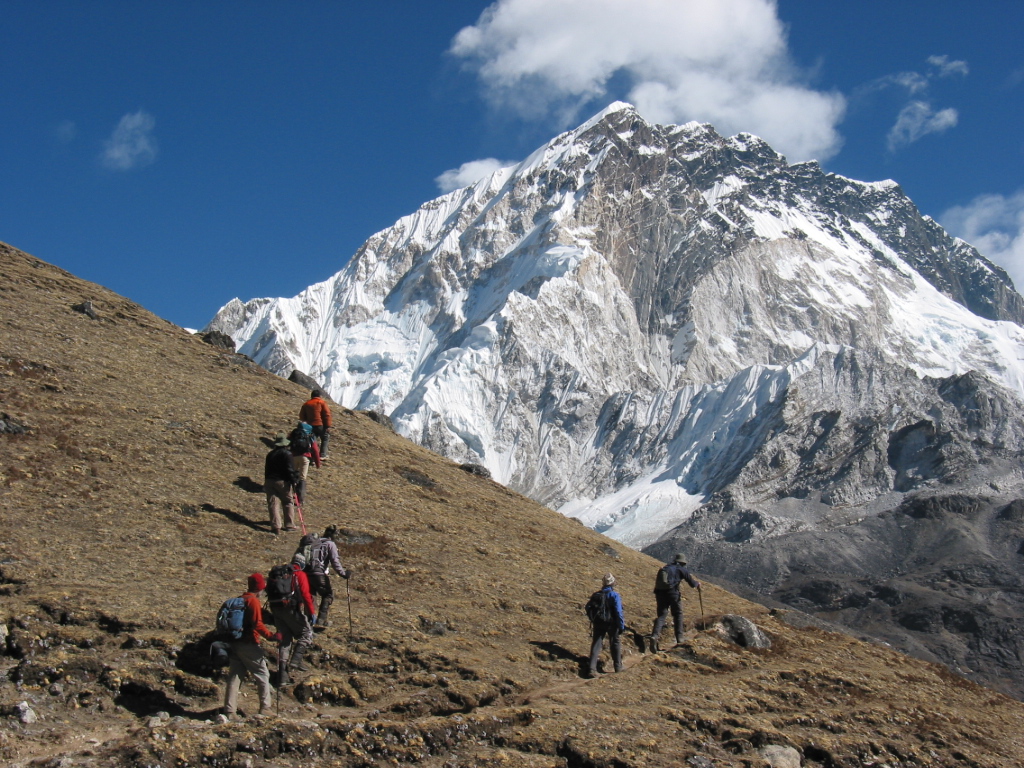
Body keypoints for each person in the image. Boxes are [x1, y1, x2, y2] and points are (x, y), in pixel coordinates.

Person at [220, 573, 281, 721]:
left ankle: (229, 710)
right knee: (262, 673)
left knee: (235, 675)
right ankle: (265, 707)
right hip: (248, 643)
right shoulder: (253, 601)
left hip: (234, 642)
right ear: (260, 587)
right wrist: (271, 636)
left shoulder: (241, 599)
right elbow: (257, 624)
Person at [267, 553, 317, 685]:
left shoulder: (281, 573)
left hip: (276, 608)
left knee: (285, 640)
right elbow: (306, 595)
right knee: (306, 633)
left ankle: (282, 675)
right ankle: (296, 660)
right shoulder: (299, 574)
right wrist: (311, 612)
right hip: (291, 608)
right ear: (302, 563)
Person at [647, 553, 701, 651]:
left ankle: (654, 635)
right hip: (673, 594)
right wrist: (698, 584)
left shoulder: (666, 568)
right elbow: (692, 583)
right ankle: (679, 638)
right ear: (682, 562)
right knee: (678, 614)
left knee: (662, 616)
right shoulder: (682, 569)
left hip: (660, 593)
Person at [306, 524, 351, 630]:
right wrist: (343, 573)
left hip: (307, 573)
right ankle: (321, 619)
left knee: (312, 595)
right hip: (319, 573)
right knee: (327, 595)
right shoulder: (330, 544)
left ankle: (309, 619)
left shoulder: (314, 542)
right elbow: (335, 561)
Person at [586, 573, 625, 678]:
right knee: (615, 643)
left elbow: (588, 607)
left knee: (597, 643)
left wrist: (593, 619)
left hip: (598, 622)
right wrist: (621, 626)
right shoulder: (614, 595)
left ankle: (592, 668)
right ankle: (618, 666)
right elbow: (618, 611)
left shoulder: (596, 595)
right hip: (611, 623)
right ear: (612, 583)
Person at [264, 433, 298, 535]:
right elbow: (289, 469)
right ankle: (289, 524)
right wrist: (293, 480)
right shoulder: (287, 454)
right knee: (287, 502)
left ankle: (275, 526)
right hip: (282, 481)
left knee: (273, 503)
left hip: (269, 480)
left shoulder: (270, 454)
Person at [289, 421, 321, 505]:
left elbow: (287, 442)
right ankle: (300, 499)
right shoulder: (310, 435)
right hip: (305, 457)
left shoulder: (294, 433)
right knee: (302, 478)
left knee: (293, 475)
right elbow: (315, 450)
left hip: (293, 456)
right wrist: (318, 463)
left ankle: (290, 493)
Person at [299, 390, 333, 461]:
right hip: (320, 425)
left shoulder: (306, 404)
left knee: (312, 440)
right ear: (320, 396)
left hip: (310, 426)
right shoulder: (322, 403)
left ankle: (312, 456)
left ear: (312, 396)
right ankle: (323, 455)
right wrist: (327, 426)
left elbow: (302, 416)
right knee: (325, 438)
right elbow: (327, 414)